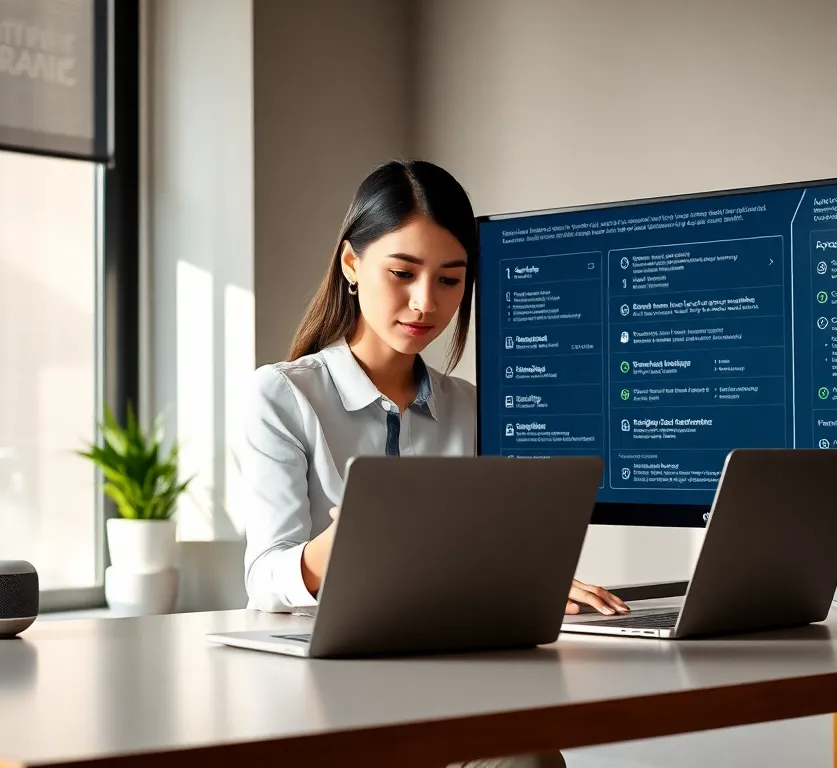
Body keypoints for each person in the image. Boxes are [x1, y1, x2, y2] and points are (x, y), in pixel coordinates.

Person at [237, 158, 630, 619]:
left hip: (447, 645)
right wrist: (345, 540)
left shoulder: (473, 409)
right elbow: (265, 581)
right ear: (351, 264)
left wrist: (530, 580)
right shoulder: (282, 395)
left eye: (449, 279)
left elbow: (477, 564)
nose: (425, 303)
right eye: (402, 273)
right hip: (315, 652)